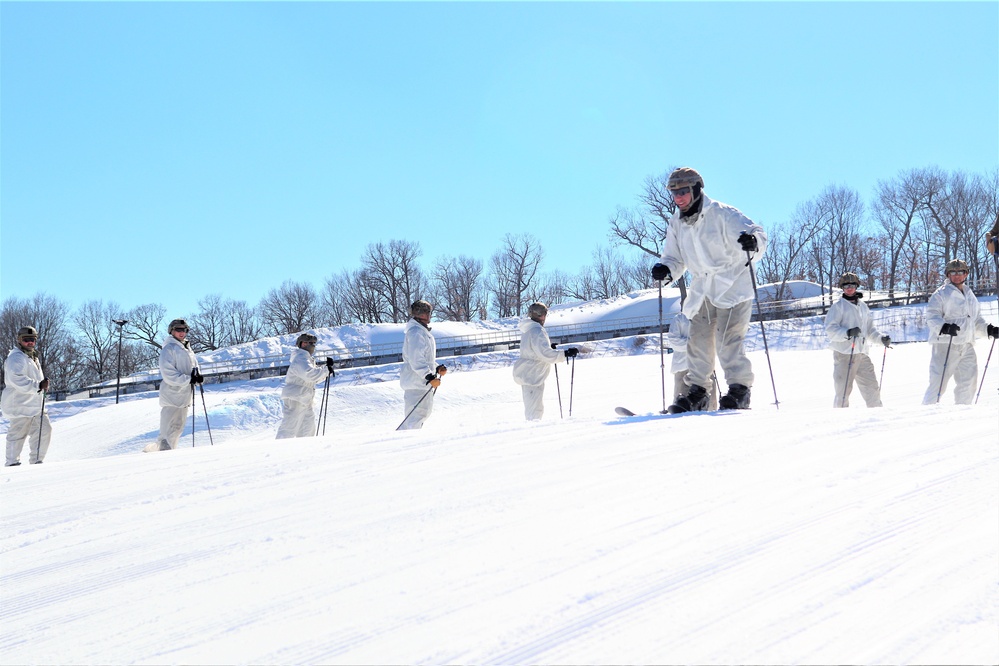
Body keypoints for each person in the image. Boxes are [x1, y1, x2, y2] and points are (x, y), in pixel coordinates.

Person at [650, 167, 767, 412]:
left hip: (733, 283)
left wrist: (753, 243)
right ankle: (699, 392)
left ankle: (739, 389)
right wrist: (666, 270)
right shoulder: (677, 222)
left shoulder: (723, 214)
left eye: (683, 191)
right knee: (698, 340)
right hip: (702, 288)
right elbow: (674, 257)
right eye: (674, 193)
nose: (678, 197)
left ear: (696, 190)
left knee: (728, 340)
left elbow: (757, 233)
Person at [922, 259, 999, 405]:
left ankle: (963, 411)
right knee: (938, 382)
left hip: (967, 344)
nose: (957, 275)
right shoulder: (940, 294)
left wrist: (989, 330)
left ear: (966, 274)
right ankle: (927, 412)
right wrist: (944, 328)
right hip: (946, 344)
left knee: (968, 381)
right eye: (953, 272)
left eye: (960, 272)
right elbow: (932, 317)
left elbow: (975, 320)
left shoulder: (970, 294)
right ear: (948, 275)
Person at [824, 272, 889, 408]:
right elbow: (830, 330)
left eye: (852, 285)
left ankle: (877, 415)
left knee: (872, 388)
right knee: (843, 392)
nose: (849, 288)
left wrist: (881, 339)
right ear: (842, 287)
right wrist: (847, 332)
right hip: (844, 354)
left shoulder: (863, 306)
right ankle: (839, 419)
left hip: (861, 353)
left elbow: (870, 330)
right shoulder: (838, 307)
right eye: (846, 285)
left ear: (856, 286)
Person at [512, 302, 580, 420]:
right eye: (544, 314)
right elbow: (545, 354)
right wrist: (565, 354)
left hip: (529, 373)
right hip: (533, 375)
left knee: (533, 408)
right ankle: (533, 431)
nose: (545, 317)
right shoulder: (537, 331)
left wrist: (548, 347)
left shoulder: (528, 330)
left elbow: (536, 350)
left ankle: (532, 428)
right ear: (541, 315)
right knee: (535, 411)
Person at [144, 319, 200, 452]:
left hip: (185, 395)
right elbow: (168, 374)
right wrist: (188, 379)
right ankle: (159, 451)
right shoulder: (168, 349)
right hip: (171, 395)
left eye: (184, 330)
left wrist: (197, 377)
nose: (182, 333)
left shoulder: (187, 349)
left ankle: (170, 452)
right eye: (178, 330)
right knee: (168, 428)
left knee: (178, 427)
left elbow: (193, 367)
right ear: (172, 331)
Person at [2, 326, 51, 466]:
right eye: (26, 339)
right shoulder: (16, 357)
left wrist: (42, 385)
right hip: (19, 404)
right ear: (19, 340)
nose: (30, 342)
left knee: (44, 430)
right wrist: (38, 386)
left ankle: (37, 461)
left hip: (35, 405)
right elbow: (16, 379)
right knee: (17, 434)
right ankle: (12, 463)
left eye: (32, 339)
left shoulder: (32, 356)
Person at [276, 332, 335, 439]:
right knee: (290, 426)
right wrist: (326, 370)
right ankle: (280, 450)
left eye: (314, 343)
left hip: (304, 398)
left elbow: (313, 379)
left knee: (307, 428)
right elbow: (310, 375)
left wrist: (326, 370)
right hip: (296, 398)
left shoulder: (306, 359)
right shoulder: (300, 358)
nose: (312, 345)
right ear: (302, 344)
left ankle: (304, 451)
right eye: (310, 343)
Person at [399, 300, 446, 430]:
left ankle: (409, 440)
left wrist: (436, 368)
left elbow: (425, 357)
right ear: (423, 314)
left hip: (420, 382)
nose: (430, 315)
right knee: (415, 418)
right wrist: (429, 377)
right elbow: (416, 359)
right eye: (429, 312)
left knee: (422, 414)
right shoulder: (416, 332)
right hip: (416, 382)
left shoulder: (421, 331)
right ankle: (405, 442)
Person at [667, 313, 718, 410]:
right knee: (681, 400)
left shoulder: (707, 316)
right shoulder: (679, 319)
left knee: (710, 402)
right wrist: (695, 344)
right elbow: (674, 341)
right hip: (683, 366)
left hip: (705, 365)